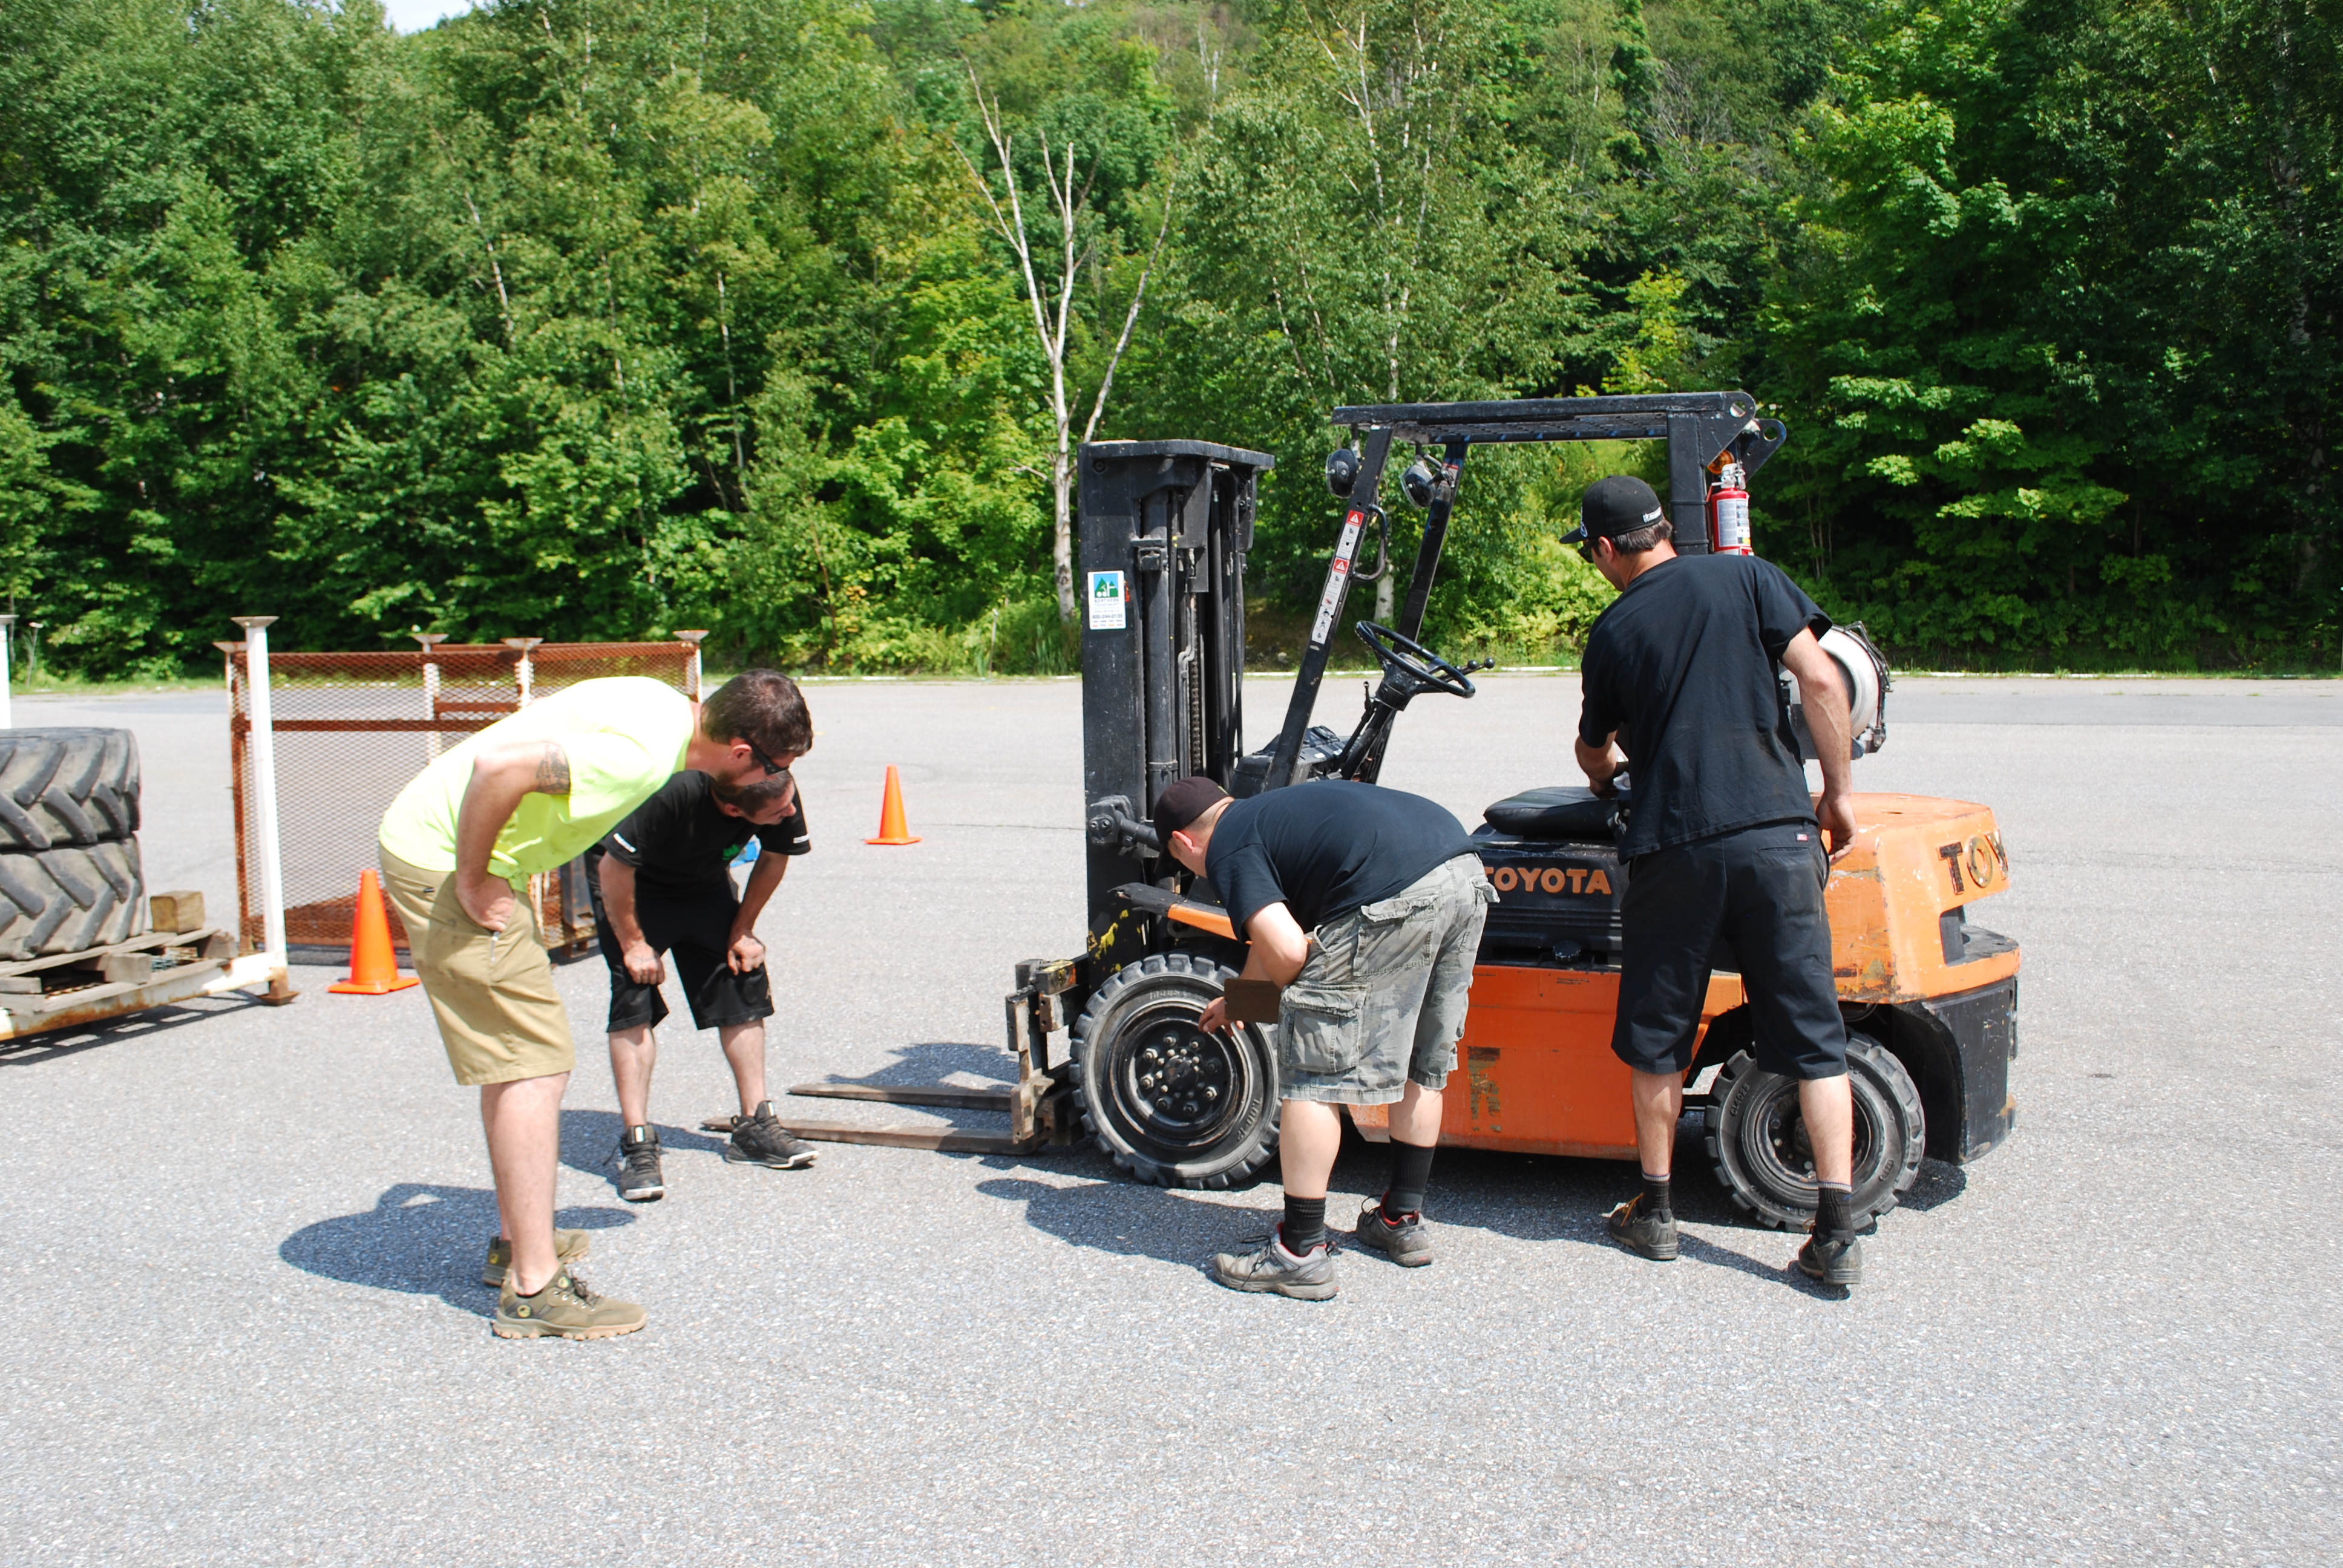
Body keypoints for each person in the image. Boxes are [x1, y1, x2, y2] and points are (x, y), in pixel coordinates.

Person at [376, 669, 814, 1339]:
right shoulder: (639, 758)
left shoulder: (664, 707)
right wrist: (474, 878)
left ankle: (515, 1245)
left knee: (517, 1062)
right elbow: (499, 764)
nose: (780, 784)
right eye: (779, 767)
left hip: (458, 847)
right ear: (740, 754)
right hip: (448, 860)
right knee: (533, 1067)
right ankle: (533, 1289)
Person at [1564, 474, 1866, 1286]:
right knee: (1814, 1041)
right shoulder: (1748, 575)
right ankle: (1836, 1231)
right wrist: (1835, 794)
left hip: (1675, 847)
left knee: (1660, 1038)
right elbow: (1824, 680)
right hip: (1777, 833)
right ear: (1664, 529)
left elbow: (1594, 749)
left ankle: (1656, 1211)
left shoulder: (1615, 629)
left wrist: (1606, 772)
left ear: (1603, 549)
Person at [1159, 773, 1495, 1301]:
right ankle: (1401, 1221)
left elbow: (1289, 953)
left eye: (1182, 864)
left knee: (1313, 1076)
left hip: (1394, 892)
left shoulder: (1227, 847)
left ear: (1184, 842)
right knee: (1421, 1063)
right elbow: (1268, 940)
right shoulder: (1274, 815)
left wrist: (1293, 1008)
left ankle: (1299, 1253)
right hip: (1463, 872)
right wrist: (1242, 1002)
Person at [593, 766, 818, 1200]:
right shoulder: (678, 793)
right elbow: (612, 869)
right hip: (633, 887)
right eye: (779, 811)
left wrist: (744, 928)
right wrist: (635, 944)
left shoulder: (775, 786)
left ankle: (755, 1126)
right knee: (633, 996)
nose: (791, 812)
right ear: (735, 810)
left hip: (703, 887)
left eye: (789, 803)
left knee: (742, 975)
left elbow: (774, 856)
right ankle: (637, 1142)